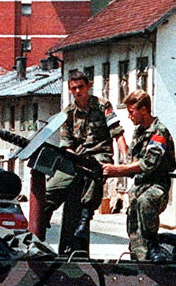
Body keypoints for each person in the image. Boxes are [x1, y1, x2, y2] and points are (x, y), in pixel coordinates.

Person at [42, 70, 127, 254]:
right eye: (74, 88)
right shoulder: (68, 114)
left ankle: (84, 218)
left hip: (99, 154)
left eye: (81, 87)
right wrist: (74, 158)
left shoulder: (103, 105)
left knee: (93, 172)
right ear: (69, 90)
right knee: (50, 190)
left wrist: (127, 158)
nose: (79, 91)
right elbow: (66, 144)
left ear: (88, 86)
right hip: (75, 158)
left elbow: (117, 132)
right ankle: (39, 230)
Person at [102, 90, 176, 262]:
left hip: (157, 186)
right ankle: (139, 260)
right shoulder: (139, 132)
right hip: (139, 187)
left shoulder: (159, 132)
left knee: (145, 202)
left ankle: (153, 245)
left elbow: (148, 164)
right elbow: (132, 159)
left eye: (131, 112)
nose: (129, 116)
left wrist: (118, 170)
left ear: (143, 110)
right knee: (134, 226)